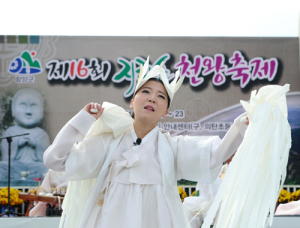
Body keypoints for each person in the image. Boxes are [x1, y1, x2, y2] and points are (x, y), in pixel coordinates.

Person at [43, 58, 248, 228]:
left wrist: (241, 125)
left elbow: (216, 155)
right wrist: (83, 119)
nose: (152, 99)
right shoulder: (108, 143)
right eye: (146, 92)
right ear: (132, 101)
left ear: (166, 111)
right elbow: (55, 160)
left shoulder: (172, 148)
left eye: (161, 96)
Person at [0, 88, 49, 180]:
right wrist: (17, 143)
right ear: (13, 110)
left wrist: (36, 144)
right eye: (23, 106)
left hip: (35, 166)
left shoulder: (42, 134)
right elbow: (5, 155)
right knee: (1, 167)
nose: (28, 112)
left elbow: (45, 156)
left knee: (46, 167)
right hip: (14, 166)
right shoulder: (10, 132)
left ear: (42, 112)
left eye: (34, 107)